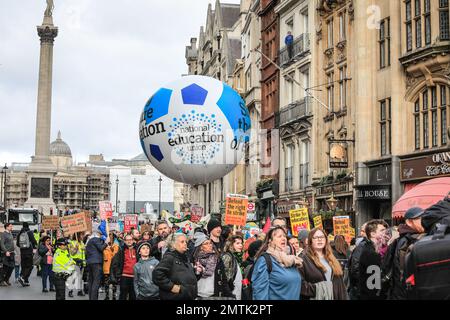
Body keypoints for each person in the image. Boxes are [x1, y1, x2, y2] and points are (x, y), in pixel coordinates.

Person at [383, 207, 426, 300]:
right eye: (420, 218)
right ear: (409, 222)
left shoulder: (408, 238)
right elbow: (402, 273)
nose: (424, 220)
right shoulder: (406, 241)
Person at [251, 226, 302, 300]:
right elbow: (259, 294)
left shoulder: (291, 259)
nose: (283, 238)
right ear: (270, 241)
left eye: (284, 236)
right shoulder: (265, 260)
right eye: (279, 236)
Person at [299, 228, 348, 300]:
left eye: (322, 237)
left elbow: (340, 284)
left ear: (326, 239)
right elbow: (300, 284)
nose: (319, 239)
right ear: (310, 241)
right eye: (315, 237)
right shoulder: (303, 259)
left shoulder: (331, 257)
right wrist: (320, 289)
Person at [152, 232, 198, 300]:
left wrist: (197, 272)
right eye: (182, 242)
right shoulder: (169, 257)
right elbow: (157, 274)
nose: (185, 243)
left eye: (185, 241)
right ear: (173, 244)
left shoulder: (185, 257)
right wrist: (172, 287)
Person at [193, 233, 233, 299]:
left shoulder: (217, 259)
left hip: (213, 295)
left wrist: (230, 295)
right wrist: (197, 272)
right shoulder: (195, 260)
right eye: (206, 244)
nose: (210, 245)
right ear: (200, 247)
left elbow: (223, 279)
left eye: (210, 243)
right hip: (198, 294)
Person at [358, 219, 388, 300]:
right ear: (373, 234)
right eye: (382, 230)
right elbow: (374, 285)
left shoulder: (371, 250)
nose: (385, 233)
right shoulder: (371, 254)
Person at [110, 234, 138, 300]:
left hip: (135, 277)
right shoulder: (121, 250)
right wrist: (115, 275)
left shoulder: (137, 250)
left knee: (133, 295)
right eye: (127, 240)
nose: (129, 241)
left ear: (133, 240)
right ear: (124, 241)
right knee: (123, 295)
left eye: (130, 240)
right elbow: (115, 263)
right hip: (124, 276)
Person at [85, 231, 109, 300]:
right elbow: (101, 248)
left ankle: (91, 298)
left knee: (91, 282)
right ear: (98, 234)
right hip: (96, 263)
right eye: (101, 235)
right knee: (96, 282)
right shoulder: (95, 239)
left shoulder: (89, 241)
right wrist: (106, 242)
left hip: (90, 262)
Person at [222, 235, 244, 300]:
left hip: (237, 292)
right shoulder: (227, 257)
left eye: (241, 243)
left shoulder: (238, 258)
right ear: (231, 245)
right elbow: (224, 277)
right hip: (230, 294)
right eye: (237, 243)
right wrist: (229, 293)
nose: (241, 245)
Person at [16, 222, 37, 287]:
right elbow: (33, 241)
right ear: (28, 226)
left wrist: (23, 246)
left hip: (22, 252)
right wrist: (34, 246)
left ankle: (25, 281)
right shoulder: (29, 232)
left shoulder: (20, 233)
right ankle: (22, 277)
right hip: (29, 251)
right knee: (30, 266)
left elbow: (17, 244)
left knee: (24, 266)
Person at [67, 233, 85, 297]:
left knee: (80, 278)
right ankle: (70, 291)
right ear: (78, 235)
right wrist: (76, 248)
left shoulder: (82, 243)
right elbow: (72, 253)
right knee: (73, 277)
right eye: (82, 235)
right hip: (75, 262)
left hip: (82, 262)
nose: (83, 236)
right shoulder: (72, 243)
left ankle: (79, 290)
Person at [103, 232, 120, 300]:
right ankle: (107, 295)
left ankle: (114, 296)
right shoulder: (104, 245)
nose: (109, 237)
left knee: (114, 282)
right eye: (108, 235)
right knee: (106, 283)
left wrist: (112, 249)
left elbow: (116, 256)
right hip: (106, 267)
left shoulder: (116, 246)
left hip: (113, 268)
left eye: (110, 235)